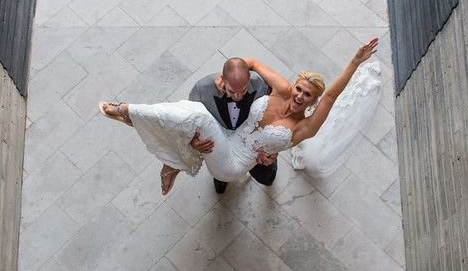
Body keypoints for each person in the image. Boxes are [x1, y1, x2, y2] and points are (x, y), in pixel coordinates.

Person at [98, 38, 380, 195]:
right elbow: (252, 62)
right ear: (294, 85)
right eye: (300, 89)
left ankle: (129, 113)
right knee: (194, 113)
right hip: (226, 137)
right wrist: (227, 77)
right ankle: (139, 126)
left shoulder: (303, 128)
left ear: (312, 102)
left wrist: (355, 62)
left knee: (199, 117)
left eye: (308, 96)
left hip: (234, 163)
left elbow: (330, 96)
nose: (299, 96)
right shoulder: (280, 89)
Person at [187, 58, 278, 195]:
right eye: (232, 90)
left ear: (249, 77)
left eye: (243, 90)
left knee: (266, 176)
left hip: (252, 144)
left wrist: (271, 150)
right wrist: (193, 141)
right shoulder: (202, 89)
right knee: (220, 171)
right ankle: (221, 179)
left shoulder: (261, 85)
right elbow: (189, 117)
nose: (237, 96)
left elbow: (275, 115)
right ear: (222, 78)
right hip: (219, 142)